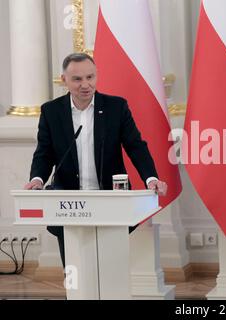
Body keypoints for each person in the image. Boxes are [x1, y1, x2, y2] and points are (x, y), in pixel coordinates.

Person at [24, 52, 168, 267]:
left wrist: (151, 179)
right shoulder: (51, 111)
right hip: (68, 205)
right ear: (64, 80)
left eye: (90, 77)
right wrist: (37, 179)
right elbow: (44, 153)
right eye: (77, 79)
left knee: (111, 268)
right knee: (75, 273)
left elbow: (136, 147)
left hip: (110, 201)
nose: (85, 84)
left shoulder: (116, 107)